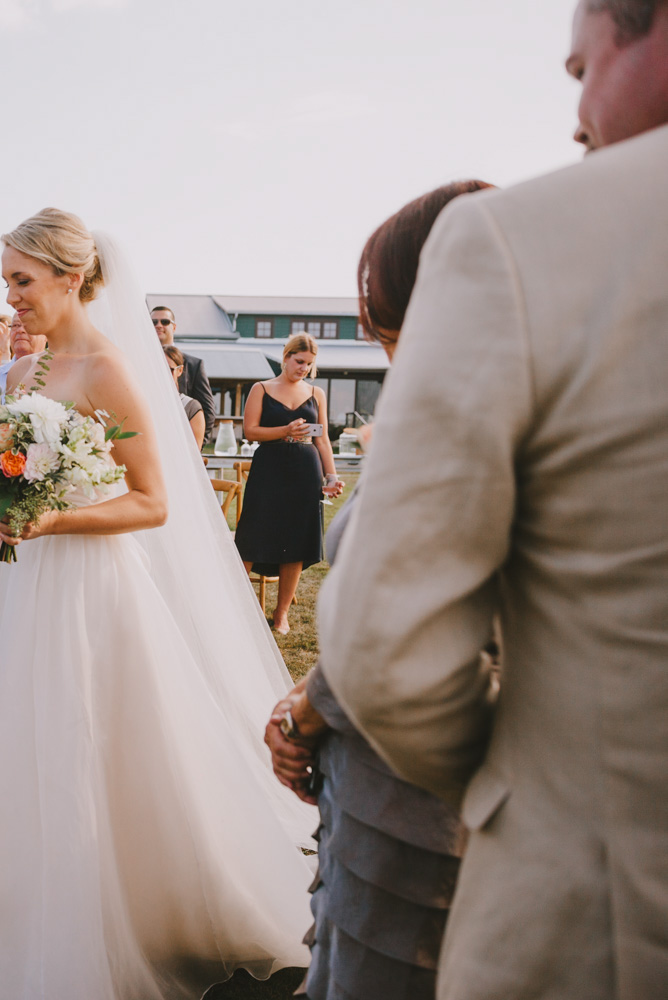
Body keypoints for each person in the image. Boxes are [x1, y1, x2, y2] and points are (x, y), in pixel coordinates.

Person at [315, 4, 668, 997]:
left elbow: (389, 646)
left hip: (605, 915)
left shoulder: (527, 245)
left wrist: (514, 776)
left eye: (577, 68)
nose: (577, 117)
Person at [0, 209, 316, 998]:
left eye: (22, 280)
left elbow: (151, 502)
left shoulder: (112, 371)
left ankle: (99, 916)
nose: (9, 297)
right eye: (6, 279)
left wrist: (57, 518)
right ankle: (4, 913)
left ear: (70, 278)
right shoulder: (25, 372)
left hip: (82, 586)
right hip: (3, 579)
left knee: (78, 747)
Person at [261, 180, 493, 1000]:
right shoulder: (463, 405)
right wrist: (317, 686)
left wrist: (305, 712)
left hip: (413, 805)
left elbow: (421, 630)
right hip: (383, 776)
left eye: (384, 321)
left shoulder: (469, 424)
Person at [235, 334, 344, 634]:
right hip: (269, 468)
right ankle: (238, 606)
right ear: (285, 357)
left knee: (296, 540)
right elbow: (251, 431)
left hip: (305, 470)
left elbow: (322, 440)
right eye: (299, 362)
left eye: (309, 364)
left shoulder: (316, 393)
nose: (303, 369)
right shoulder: (261, 388)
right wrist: (284, 429)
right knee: (252, 534)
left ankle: (281, 614)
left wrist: (331, 477)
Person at [152, 305, 215, 446]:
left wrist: (195, 449)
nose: (158, 325)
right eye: (153, 322)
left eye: (165, 322)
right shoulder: (140, 360)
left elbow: (207, 411)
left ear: (174, 327)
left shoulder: (194, 365)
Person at [162, 344, 207, 444]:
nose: (163, 374)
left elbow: (194, 452)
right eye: (160, 369)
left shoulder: (191, 407)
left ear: (180, 370)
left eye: (170, 369)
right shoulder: (144, 403)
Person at [0, 313, 45, 381]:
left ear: (46, 335)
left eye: (29, 324)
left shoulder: (58, 374)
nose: (20, 330)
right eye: (15, 325)